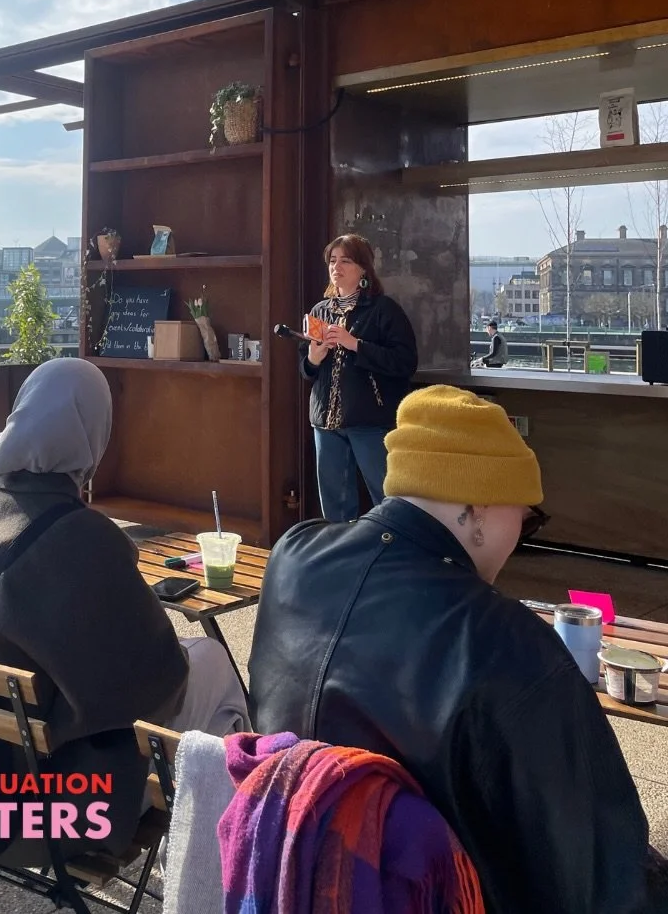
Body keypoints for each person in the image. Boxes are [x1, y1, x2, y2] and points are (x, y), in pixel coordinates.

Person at [248, 385, 653, 914]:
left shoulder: (293, 554)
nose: (520, 538)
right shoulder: (504, 640)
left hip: (282, 869)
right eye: (527, 519)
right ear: (480, 506)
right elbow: (599, 870)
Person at [0, 357, 248, 851]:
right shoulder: (81, 535)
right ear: (92, 432)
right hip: (62, 800)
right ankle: (230, 849)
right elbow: (155, 677)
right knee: (213, 668)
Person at [300, 234, 418, 521]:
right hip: (325, 422)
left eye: (346, 261)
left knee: (386, 497)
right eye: (332, 261)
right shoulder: (319, 311)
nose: (336, 267)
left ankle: (393, 547)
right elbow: (306, 370)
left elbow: (405, 362)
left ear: (363, 268)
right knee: (334, 505)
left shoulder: (383, 310)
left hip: (369, 421)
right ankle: (343, 549)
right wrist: (314, 358)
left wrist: (355, 344)